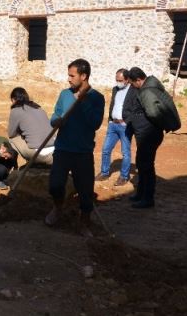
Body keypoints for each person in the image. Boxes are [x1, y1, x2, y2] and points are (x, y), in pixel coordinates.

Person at [45, 58, 105, 236]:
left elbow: (94, 123)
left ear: (84, 76)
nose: (69, 79)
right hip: (63, 148)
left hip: (83, 151)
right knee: (55, 185)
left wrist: (82, 100)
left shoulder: (96, 98)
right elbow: (55, 113)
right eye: (68, 75)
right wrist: (56, 120)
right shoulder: (64, 94)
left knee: (85, 191)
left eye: (72, 75)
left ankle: (84, 222)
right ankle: (57, 208)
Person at [124, 67, 180, 208]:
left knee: (146, 166)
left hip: (149, 134)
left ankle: (147, 198)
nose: (132, 86)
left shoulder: (147, 91)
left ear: (138, 80)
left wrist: (145, 125)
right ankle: (141, 194)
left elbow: (153, 113)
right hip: (148, 133)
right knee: (142, 164)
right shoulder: (151, 87)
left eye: (132, 83)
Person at [95, 69, 132, 186]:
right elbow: (112, 104)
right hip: (113, 125)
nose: (118, 82)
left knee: (125, 153)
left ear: (127, 80)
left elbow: (136, 108)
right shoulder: (115, 89)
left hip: (125, 126)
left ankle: (124, 177)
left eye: (120, 80)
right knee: (106, 149)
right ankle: (104, 173)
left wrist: (127, 122)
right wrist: (110, 120)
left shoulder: (133, 91)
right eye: (117, 80)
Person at [7, 87, 55, 165]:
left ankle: (15, 166)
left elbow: (11, 134)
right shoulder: (39, 108)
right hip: (54, 152)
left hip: (39, 155)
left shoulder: (15, 111)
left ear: (13, 100)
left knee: (12, 140)